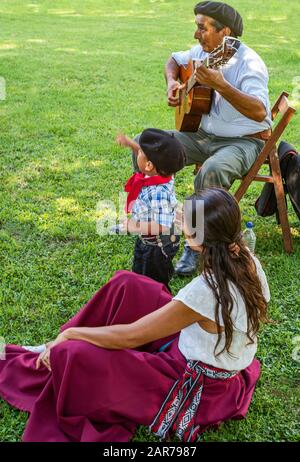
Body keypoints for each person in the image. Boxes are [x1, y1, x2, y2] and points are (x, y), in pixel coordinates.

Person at [0, 188, 270, 442]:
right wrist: (191, 216)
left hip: (193, 382)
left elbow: (129, 337)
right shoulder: (245, 256)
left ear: (200, 237)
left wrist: (71, 334)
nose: (179, 221)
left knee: (71, 354)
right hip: (204, 348)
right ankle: (59, 343)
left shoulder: (204, 291)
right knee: (129, 285)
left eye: (186, 222)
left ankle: (60, 346)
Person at [132, 1, 272, 276]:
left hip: (244, 141)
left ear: (226, 32)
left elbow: (259, 111)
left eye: (202, 28)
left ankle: (194, 244)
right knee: (144, 145)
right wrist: (173, 82)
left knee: (212, 170)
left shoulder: (250, 63)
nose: (196, 34)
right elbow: (173, 60)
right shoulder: (204, 51)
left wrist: (221, 85)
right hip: (202, 135)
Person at [115, 128, 186, 289]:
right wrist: (130, 144)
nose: (137, 152)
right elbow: (145, 155)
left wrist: (135, 226)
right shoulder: (162, 171)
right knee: (140, 272)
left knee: (153, 281)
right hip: (148, 239)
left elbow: (163, 226)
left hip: (156, 246)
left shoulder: (158, 193)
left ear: (148, 165)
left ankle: (161, 303)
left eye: (139, 152)